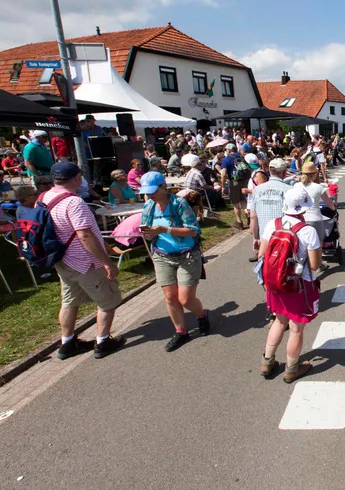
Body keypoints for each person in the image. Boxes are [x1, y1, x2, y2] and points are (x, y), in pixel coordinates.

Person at [44, 162, 125, 360]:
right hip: (84, 262)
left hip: (63, 261)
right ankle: (103, 341)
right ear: (76, 179)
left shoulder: (46, 196)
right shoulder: (74, 202)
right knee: (107, 301)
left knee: (69, 301)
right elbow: (85, 236)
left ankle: (67, 342)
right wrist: (106, 262)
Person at [139, 172, 210, 352]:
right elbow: (146, 229)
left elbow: (193, 230)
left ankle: (201, 315)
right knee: (170, 297)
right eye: (147, 192)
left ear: (164, 187)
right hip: (162, 255)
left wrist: (166, 229)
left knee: (185, 298)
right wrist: (147, 234)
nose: (150, 195)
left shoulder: (179, 203)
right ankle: (181, 331)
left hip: (187, 255)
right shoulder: (148, 206)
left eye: (153, 191)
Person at [258, 186, 321, 382]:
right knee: (296, 328)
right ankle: (292, 369)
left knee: (279, 320)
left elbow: (261, 255)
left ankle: (267, 362)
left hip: (275, 284)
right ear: (303, 209)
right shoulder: (308, 231)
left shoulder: (273, 224)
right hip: (298, 286)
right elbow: (315, 265)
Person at [249, 158, 295, 263]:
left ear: (270, 171)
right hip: (284, 237)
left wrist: (256, 238)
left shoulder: (257, 190)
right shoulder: (289, 190)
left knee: (266, 267)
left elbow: (253, 216)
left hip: (264, 237)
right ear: (284, 172)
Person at [295, 162, 336, 254]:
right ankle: (318, 263)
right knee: (318, 242)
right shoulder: (318, 187)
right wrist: (334, 209)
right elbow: (329, 203)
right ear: (314, 174)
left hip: (300, 219)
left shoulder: (296, 186)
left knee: (301, 242)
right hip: (315, 218)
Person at [221, 143, 248, 229]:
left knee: (236, 202)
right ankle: (248, 214)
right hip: (244, 181)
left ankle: (239, 222)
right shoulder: (241, 157)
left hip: (234, 182)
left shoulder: (227, 159)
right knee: (243, 199)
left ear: (228, 150)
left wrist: (222, 186)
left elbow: (224, 174)